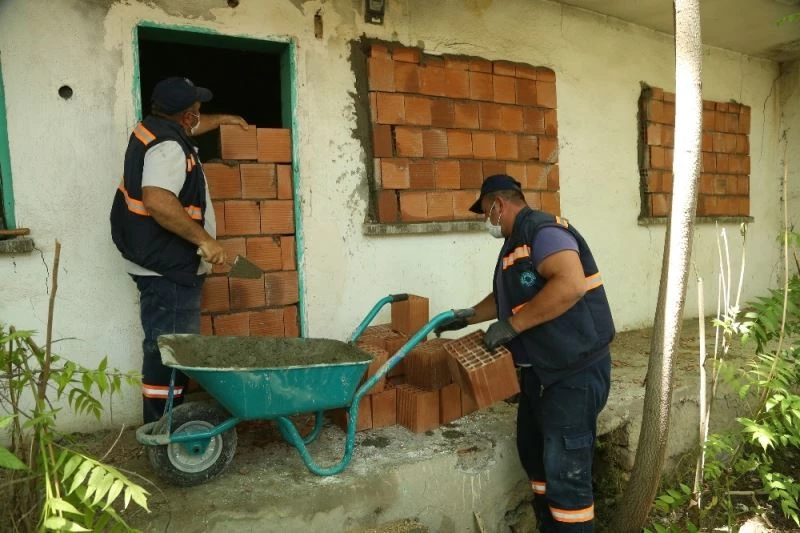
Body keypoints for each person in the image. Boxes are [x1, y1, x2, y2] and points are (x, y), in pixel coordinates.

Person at [436, 174, 615, 532]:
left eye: (486, 212)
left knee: (566, 473)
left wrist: (513, 327)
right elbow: (509, 299)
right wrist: (468, 315)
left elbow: (570, 283)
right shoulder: (514, 246)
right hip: (542, 372)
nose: (487, 220)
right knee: (535, 458)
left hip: (574, 371)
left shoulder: (543, 232)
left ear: (499, 205)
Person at [110, 76, 248, 424]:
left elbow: (194, 126)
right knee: (171, 351)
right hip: (168, 268)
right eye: (196, 113)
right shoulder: (170, 148)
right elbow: (158, 201)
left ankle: (165, 424)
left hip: (157, 258)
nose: (198, 118)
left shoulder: (153, 129)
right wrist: (205, 241)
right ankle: (163, 429)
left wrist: (226, 120)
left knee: (168, 346)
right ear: (185, 116)